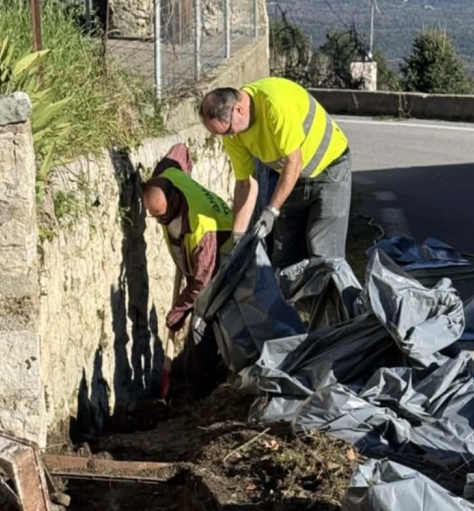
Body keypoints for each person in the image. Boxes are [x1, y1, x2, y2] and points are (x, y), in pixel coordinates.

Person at [198, 77, 352, 269]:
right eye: (222, 134)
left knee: (323, 254)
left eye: (229, 130)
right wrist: (237, 236)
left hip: (330, 170)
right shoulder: (232, 132)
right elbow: (245, 183)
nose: (230, 136)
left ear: (239, 109)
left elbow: (294, 162)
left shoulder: (275, 104)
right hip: (292, 178)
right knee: (285, 256)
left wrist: (271, 211)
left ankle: (333, 298)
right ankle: (290, 299)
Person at [142, 143, 233, 396]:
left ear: (174, 200)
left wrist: (179, 310)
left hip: (226, 254)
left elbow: (202, 282)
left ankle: (201, 390)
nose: (160, 221)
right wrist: (187, 177)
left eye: (163, 216)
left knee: (200, 325)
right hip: (201, 259)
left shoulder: (201, 229)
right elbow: (181, 149)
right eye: (154, 216)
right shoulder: (167, 172)